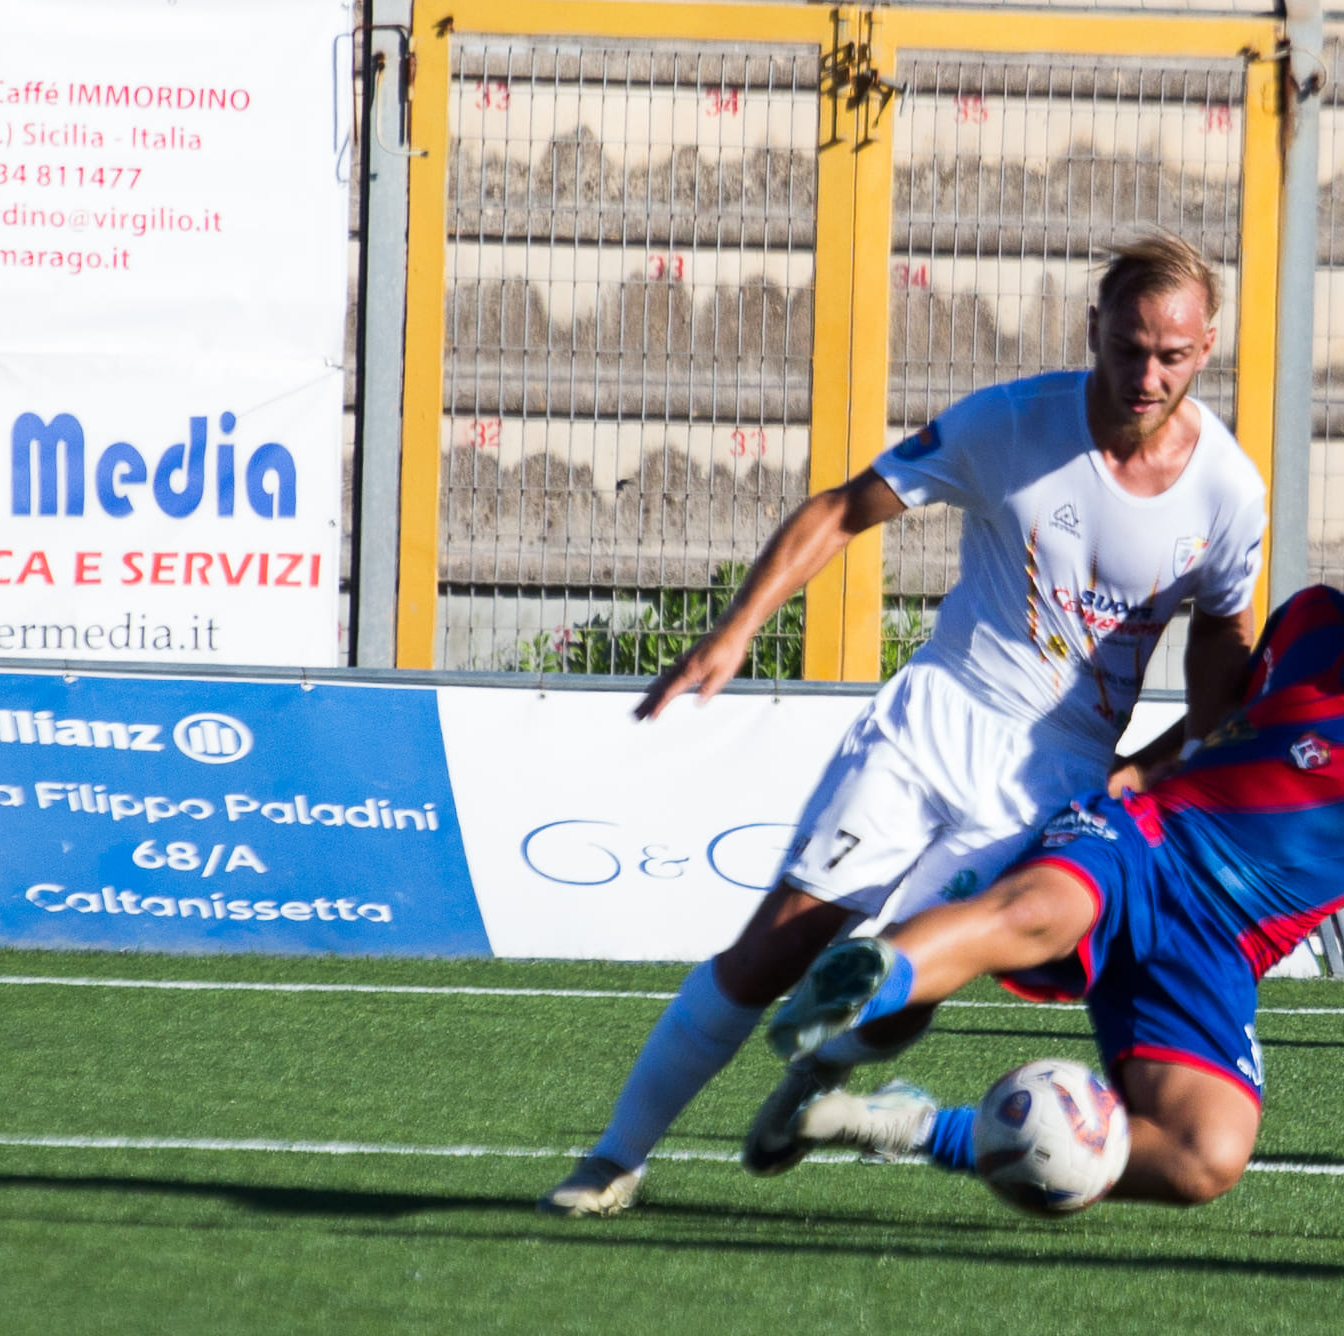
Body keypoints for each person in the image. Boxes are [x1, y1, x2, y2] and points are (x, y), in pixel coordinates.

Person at [540, 232, 1269, 1215]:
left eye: (1171, 356)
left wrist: (1167, 759)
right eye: (1128, 347)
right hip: (940, 715)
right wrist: (734, 634)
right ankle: (614, 1157)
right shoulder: (1010, 422)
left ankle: (812, 1089)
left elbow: (1226, 647)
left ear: (1207, 347)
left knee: (903, 982)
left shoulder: (1228, 492)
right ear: (1093, 328)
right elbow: (842, 510)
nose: (1147, 374)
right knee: (777, 949)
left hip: (1052, 778)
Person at [764, 454, 1344, 1206]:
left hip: (1218, 949)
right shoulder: (1314, 620)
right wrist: (1139, 772)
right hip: (1145, 844)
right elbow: (1223, 717)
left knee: (1207, 1158)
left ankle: (912, 1125)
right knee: (1039, 910)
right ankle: (868, 982)